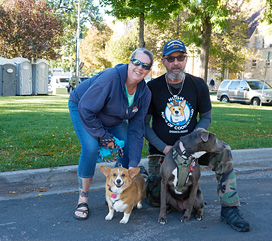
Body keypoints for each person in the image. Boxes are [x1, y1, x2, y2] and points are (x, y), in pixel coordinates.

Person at [144, 40, 250, 232]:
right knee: (153, 196)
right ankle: (155, 181)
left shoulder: (198, 85)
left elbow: (206, 116)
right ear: (163, 61)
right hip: (164, 152)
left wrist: (194, 140)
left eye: (180, 58)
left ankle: (230, 207)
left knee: (223, 150)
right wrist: (165, 148)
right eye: (171, 58)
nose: (176, 63)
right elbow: (145, 125)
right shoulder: (152, 87)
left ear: (186, 59)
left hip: (195, 149)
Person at [69, 48, 153, 220]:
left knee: (127, 144)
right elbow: (86, 108)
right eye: (136, 62)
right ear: (130, 62)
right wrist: (104, 136)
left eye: (145, 66)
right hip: (83, 108)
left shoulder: (144, 93)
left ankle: (118, 192)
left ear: (149, 70)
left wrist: (133, 164)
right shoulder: (111, 78)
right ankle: (82, 199)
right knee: (91, 148)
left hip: (112, 116)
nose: (139, 68)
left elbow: (137, 129)